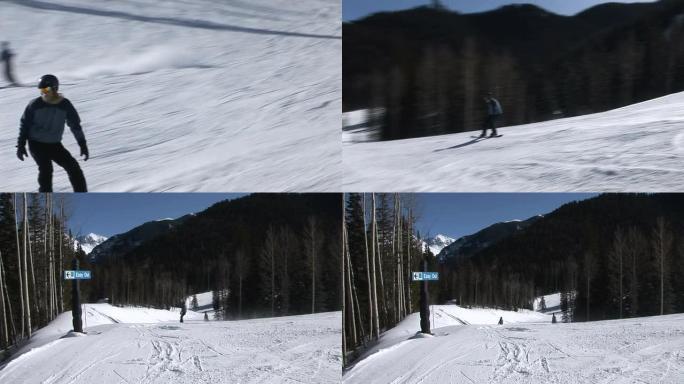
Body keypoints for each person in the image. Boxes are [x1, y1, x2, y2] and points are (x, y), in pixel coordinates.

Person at [16, 74, 89, 192]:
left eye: (46, 89)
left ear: (55, 89)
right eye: (41, 90)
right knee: (46, 169)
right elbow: (25, 124)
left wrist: (82, 144)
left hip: (54, 144)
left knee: (74, 168)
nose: (43, 93)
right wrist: (21, 145)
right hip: (36, 144)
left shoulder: (65, 105)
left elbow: (75, 125)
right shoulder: (35, 105)